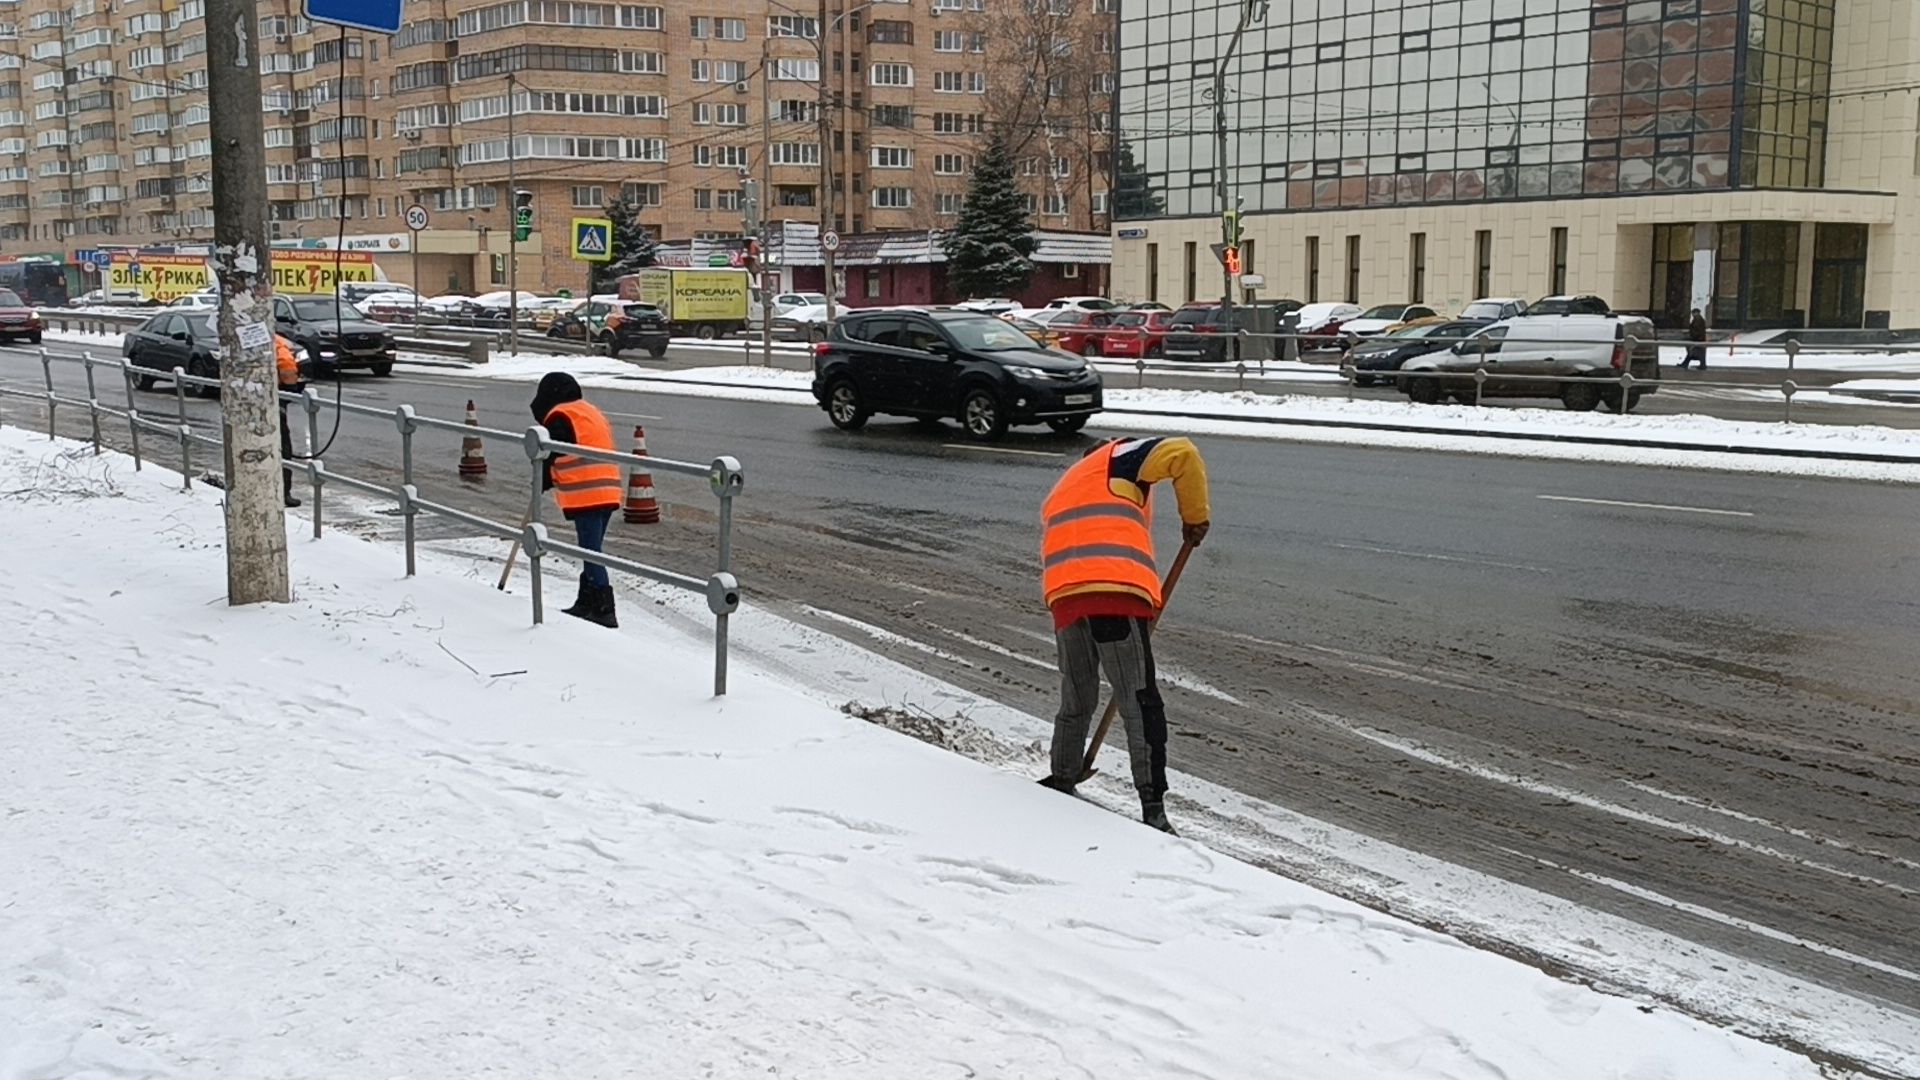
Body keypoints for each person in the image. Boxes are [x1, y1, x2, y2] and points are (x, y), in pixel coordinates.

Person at [1035, 436, 1210, 834]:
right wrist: (1194, 516)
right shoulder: (1120, 456)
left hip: (1064, 596)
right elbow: (1182, 452)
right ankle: (1153, 808)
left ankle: (1062, 776)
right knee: (1138, 697)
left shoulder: (1067, 482)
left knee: (1077, 696)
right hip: (1113, 590)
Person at [529, 372, 624, 628]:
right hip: (608, 489)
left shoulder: (559, 416)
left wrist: (542, 479)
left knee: (591, 552)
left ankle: (604, 609)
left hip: (588, 493)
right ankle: (587, 601)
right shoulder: (588, 411)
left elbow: (552, 450)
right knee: (591, 550)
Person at [275, 334, 304, 508]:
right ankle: (284, 492)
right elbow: (287, 366)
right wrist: (291, 387)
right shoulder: (277, 342)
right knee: (283, 447)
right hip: (275, 399)